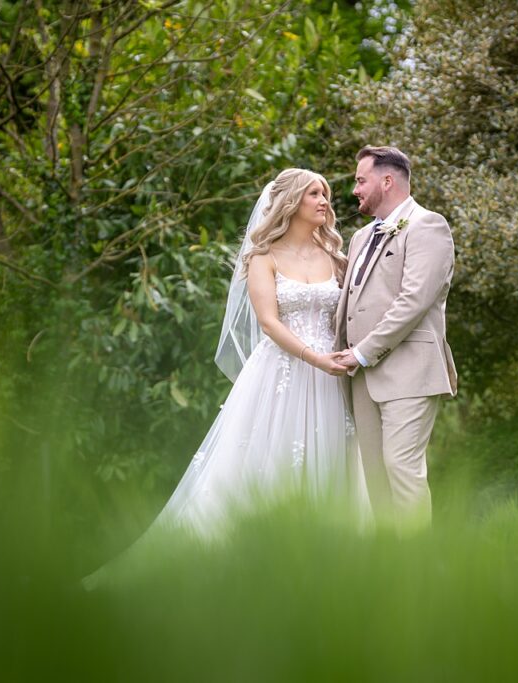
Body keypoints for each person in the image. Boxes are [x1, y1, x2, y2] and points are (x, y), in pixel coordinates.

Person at [82, 169, 369, 589]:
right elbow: (269, 323)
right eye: (314, 193)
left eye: (325, 194)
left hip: (330, 376)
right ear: (291, 202)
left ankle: (325, 568)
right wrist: (315, 358)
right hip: (284, 373)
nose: (325, 201)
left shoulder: (336, 257)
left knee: (330, 460)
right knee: (266, 465)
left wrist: (347, 357)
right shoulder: (263, 257)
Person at [334, 146, 457, 531]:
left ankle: (418, 570)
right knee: (375, 478)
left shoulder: (428, 226)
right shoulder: (358, 238)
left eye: (360, 180)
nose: (355, 189)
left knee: (401, 468)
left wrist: (363, 352)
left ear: (386, 181)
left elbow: (413, 301)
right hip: (361, 379)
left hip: (408, 371)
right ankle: (390, 571)